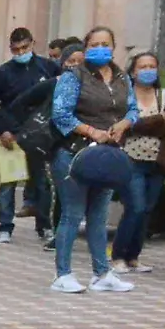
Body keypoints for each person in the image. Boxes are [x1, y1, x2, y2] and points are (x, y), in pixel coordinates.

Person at [48, 26, 140, 293]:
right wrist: (91, 131)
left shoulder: (123, 77)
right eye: (94, 44)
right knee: (72, 213)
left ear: (113, 47)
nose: (101, 48)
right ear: (85, 48)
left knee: (98, 216)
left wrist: (124, 123)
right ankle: (62, 274)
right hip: (74, 154)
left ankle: (102, 273)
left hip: (107, 156)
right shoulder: (74, 76)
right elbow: (61, 113)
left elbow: (133, 108)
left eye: (106, 43)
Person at [0, 27, 59, 244]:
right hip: (13, 135)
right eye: (16, 49)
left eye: (24, 48)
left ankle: (44, 225)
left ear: (32, 44)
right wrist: (2, 129)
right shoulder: (2, 73)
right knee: (8, 182)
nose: (20, 52)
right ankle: (5, 226)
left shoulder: (48, 67)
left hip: (41, 134)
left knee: (42, 182)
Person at [112, 51, 165, 273]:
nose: (148, 71)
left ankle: (133, 257)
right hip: (130, 159)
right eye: (143, 67)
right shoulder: (125, 96)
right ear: (133, 71)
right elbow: (124, 126)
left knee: (147, 209)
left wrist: (139, 123)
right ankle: (118, 255)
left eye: (152, 66)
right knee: (135, 207)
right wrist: (157, 120)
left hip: (157, 161)